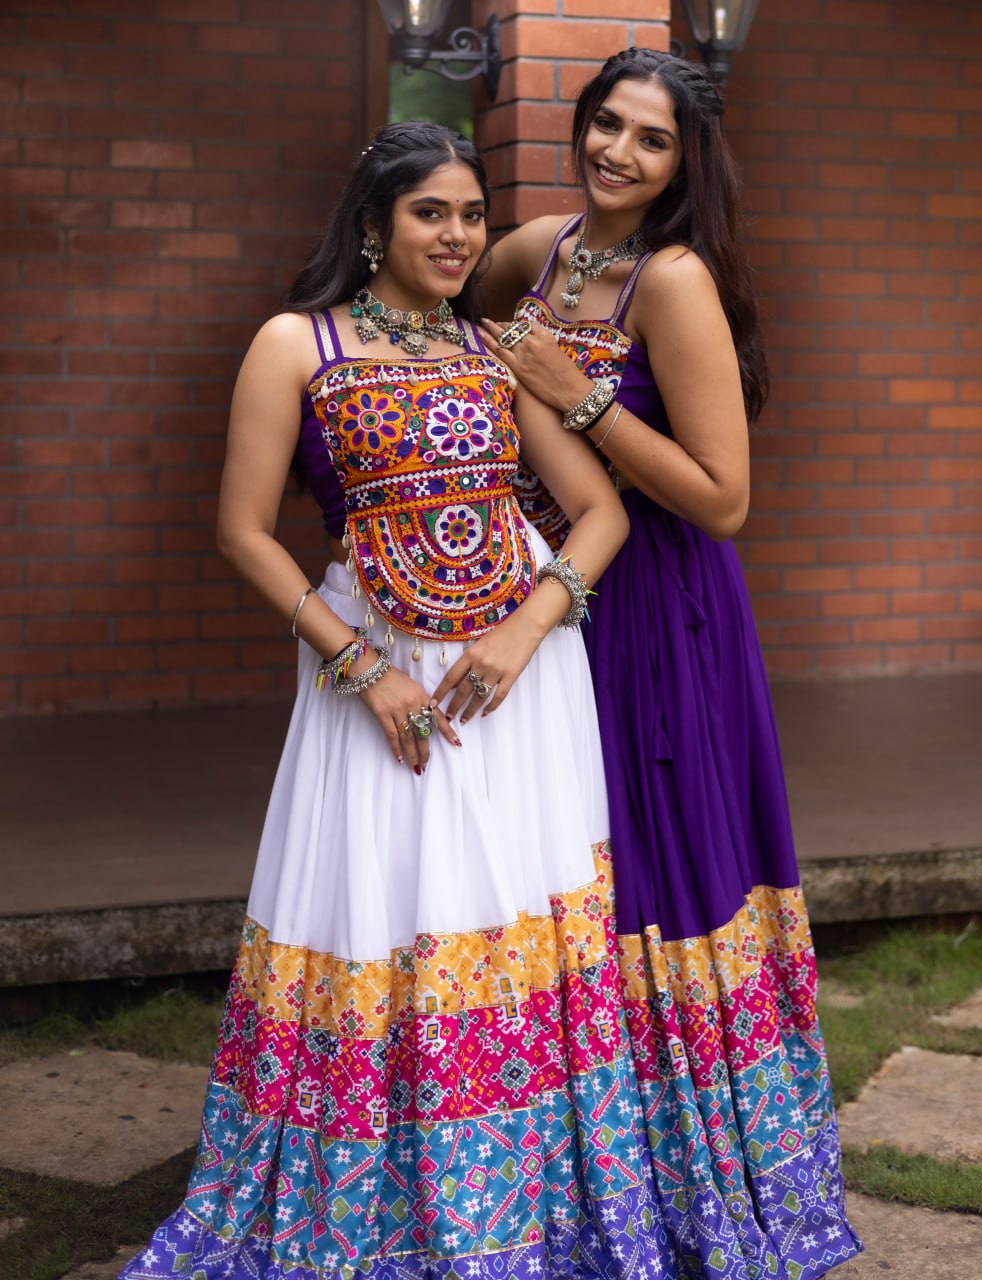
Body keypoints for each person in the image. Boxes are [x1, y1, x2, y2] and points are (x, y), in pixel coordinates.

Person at [117, 119, 718, 1280]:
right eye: (429, 212)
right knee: (380, 906)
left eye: (471, 215)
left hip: (520, 693)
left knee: (509, 910)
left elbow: (601, 515)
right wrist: (363, 668)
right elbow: (244, 531)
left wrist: (523, 629)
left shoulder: (500, 350)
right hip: (375, 669)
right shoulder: (297, 344)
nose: (456, 235)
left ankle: (515, 1199)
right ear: (373, 223)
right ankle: (377, 1202)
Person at [479, 48, 864, 1279]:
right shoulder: (536, 248)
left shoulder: (673, 278)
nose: (617, 153)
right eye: (606, 124)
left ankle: (692, 1181)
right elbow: (440, 298)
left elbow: (723, 497)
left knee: (655, 865)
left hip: (659, 616)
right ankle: (570, 1165)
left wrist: (575, 400)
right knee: (563, 867)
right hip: (548, 603)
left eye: (650, 139)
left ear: (683, 164)